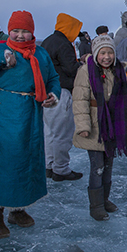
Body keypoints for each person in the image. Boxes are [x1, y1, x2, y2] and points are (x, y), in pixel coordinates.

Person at [0, 11, 61, 239]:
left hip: (31, 112)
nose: (19, 35)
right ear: (9, 31)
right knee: (2, 161)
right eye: (15, 30)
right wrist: (1, 59)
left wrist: (53, 94)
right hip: (4, 113)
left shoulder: (41, 53)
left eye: (24, 30)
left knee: (26, 160)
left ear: (32, 31)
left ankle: (18, 209)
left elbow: (53, 79)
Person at [72, 34, 127, 221]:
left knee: (108, 166)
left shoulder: (118, 70)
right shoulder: (86, 71)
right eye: (102, 53)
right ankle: (96, 206)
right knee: (97, 166)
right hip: (94, 125)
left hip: (114, 124)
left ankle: (105, 199)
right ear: (95, 53)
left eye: (110, 52)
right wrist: (83, 126)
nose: (107, 57)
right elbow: (80, 100)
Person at [41, 13, 85, 181]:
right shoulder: (63, 44)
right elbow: (71, 69)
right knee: (62, 133)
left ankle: (49, 165)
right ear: (70, 28)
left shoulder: (48, 41)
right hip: (61, 91)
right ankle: (61, 169)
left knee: (50, 132)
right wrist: (82, 64)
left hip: (48, 91)